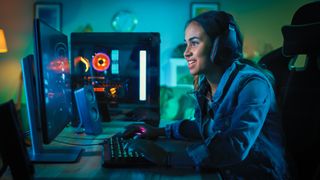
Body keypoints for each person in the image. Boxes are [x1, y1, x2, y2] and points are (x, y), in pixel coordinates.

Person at [121, 10, 288, 179]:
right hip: (223, 172)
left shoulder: (252, 85)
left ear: (221, 47)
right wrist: (158, 131)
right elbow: (207, 129)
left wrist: (167, 157)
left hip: (259, 174)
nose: (186, 52)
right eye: (186, 43)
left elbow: (235, 146)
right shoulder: (205, 85)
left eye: (194, 43)